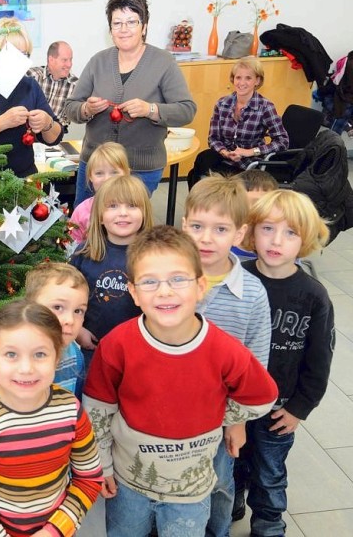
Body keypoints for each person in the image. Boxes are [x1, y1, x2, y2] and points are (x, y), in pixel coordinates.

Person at [84, 225, 278, 537]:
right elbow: (98, 410)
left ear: (201, 286)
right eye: (150, 281)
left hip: (190, 490)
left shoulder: (224, 349)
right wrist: (103, 466)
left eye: (178, 279)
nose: (164, 291)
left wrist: (221, 416)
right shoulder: (117, 345)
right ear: (133, 292)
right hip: (127, 482)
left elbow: (262, 395)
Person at [0, 300, 103, 536]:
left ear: (56, 358)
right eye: (11, 354)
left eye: (40, 354)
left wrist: (54, 531)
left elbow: (89, 479)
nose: (26, 368)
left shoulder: (70, 409)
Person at [238, 190, 334, 537]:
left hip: (279, 409)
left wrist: (300, 408)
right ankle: (232, 504)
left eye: (290, 232)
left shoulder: (313, 294)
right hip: (232, 404)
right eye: (267, 228)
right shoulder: (238, 279)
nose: (277, 240)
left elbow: (320, 357)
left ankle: (268, 525)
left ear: (305, 239)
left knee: (269, 473)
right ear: (250, 232)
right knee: (232, 464)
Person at [181, 176, 272, 537]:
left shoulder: (252, 293)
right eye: (198, 226)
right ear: (184, 225)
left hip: (220, 415)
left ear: (239, 234)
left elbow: (255, 365)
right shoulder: (171, 278)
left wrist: (237, 421)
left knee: (219, 484)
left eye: (220, 229)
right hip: (169, 407)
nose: (206, 238)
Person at [64, 0, 196, 204]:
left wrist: (150, 110)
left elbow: (186, 109)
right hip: (96, 167)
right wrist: (86, 109)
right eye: (117, 23)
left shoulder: (163, 63)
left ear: (144, 27)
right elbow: (71, 107)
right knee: (85, 227)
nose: (124, 29)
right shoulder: (98, 61)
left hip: (140, 169)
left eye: (131, 22)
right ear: (110, 29)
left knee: (127, 229)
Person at [69, 175, 152, 370]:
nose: (123, 213)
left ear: (145, 212)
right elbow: (69, 297)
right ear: (99, 215)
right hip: (93, 347)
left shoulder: (153, 256)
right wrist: (78, 330)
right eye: (113, 206)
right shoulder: (85, 252)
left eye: (132, 206)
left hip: (139, 350)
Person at [0, 262, 88, 397]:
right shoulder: (7, 360)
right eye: (58, 307)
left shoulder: (75, 355)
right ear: (31, 307)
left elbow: (74, 405)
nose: (70, 320)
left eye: (78, 311)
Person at [0, 17, 63, 178]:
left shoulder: (29, 86)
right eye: (13, 53)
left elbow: (55, 138)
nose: (20, 60)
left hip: (24, 182)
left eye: (24, 54)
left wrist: (47, 123)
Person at [187, 56, 289, 189]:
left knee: (224, 184)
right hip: (225, 157)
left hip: (249, 163)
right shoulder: (222, 103)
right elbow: (213, 138)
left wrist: (251, 151)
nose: (242, 83)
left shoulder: (265, 107)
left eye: (248, 78)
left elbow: (283, 141)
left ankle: (223, 205)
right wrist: (225, 152)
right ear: (233, 79)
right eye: (238, 77)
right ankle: (200, 206)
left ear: (257, 81)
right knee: (201, 162)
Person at [69, 142, 131, 243]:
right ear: (90, 177)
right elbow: (72, 245)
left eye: (114, 172)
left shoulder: (135, 207)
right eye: (99, 173)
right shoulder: (82, 211)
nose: (107, 179)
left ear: (127, 173)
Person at [27, 41, 79, 132]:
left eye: (71, 59)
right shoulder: (30, 76)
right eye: (65, 60)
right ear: (51, 60)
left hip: (54, 134)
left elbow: (75, 117)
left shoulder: (75, 85)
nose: (69, 64)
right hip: (27, 133)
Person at [231, 169, 279, 262]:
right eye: (242, 203)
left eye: (259, 203)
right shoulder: (220, 244)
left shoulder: (281, 247)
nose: (250, 209)